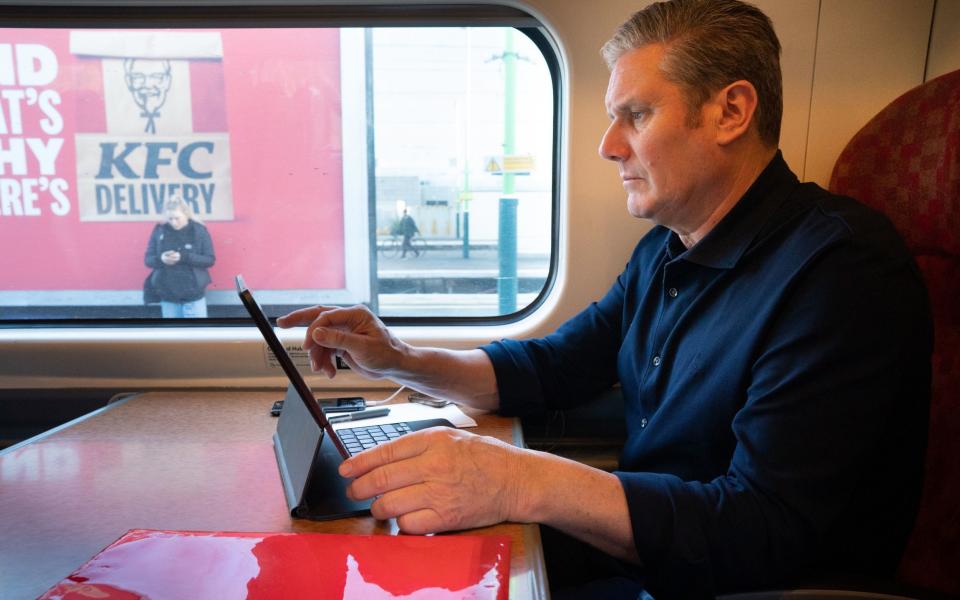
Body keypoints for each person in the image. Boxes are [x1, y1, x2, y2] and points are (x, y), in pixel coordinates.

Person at [278, 0, 932, 597]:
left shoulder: (840, 274)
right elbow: (552, 368)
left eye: (637, 115)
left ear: (732, 111)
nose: (607, 145)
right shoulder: (666, 251)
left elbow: (759, 530)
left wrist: (517, 478)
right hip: (650, 553)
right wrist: (398, 358)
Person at [143, 197, 216, 318]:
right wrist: (162, 259)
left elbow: (209, 260)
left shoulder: (199, 231)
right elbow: (148, 260)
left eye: (177, 218)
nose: (174, 222)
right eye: (170, 218)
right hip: (168, 296)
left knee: (198, 334)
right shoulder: (160, 230)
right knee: (173, 335)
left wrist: (184, 257)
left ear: (186, 214)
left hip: (194, 296)